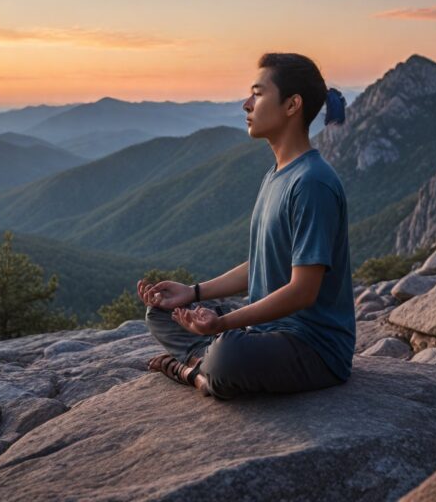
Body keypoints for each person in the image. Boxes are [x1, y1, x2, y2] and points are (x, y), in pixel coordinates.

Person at [137, 52, 355, 400]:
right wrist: (192, 293)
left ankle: (196, 371)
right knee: (161, 312)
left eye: (258, 93)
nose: (246, 104)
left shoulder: (313, 183)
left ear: (291, 105)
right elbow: (264, 264)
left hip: (313, 348)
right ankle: (205, 365)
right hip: (265, 332)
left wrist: (223, 325)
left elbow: (303, 291)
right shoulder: (277, 176)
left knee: (228, 356)